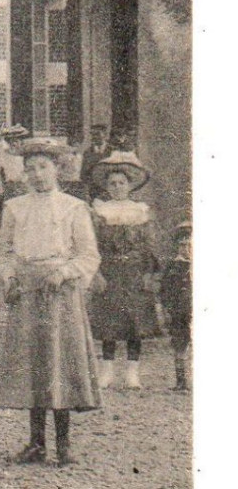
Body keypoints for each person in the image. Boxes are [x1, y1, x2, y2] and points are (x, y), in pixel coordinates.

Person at [0, 139, 101, 467]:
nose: (37, 175)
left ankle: (64, 444)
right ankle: (36, 443)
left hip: (60, 294)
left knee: (59, 364)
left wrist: (65, 272)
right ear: (23, 174)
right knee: (33, 368)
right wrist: (8, 276)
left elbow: (89, 254)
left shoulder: (72, 207)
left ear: (58, 169)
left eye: (43, 167)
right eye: (30, 169)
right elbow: (4, 251)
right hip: (27, 292)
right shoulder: (15, 208)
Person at [87, 152, 160, 390]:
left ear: (129, 185)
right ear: (106, 187)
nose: (117, 187)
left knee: (134, 321)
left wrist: (149, 273)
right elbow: (91, 244)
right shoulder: (99, 211)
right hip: (109, 271)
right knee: (109, 321)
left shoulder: (139, 211)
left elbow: (148, 246)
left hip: (135, 272)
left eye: (121, 183)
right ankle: (106, 370)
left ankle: (132, 372)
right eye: (112, 183)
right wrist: (95, 273)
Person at [161, 222, 192, 392]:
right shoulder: (173, 266)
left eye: (190, 245)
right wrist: (167, 310)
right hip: (179, 312)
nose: (186, 248)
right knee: (179, 346)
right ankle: (181, 381)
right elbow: (165, 291)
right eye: (182, 245)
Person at [79, 124, 112, 200]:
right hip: (93, 192)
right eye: (92, 134)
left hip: (110, 190)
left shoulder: (113, 151)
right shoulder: (87, 153)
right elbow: (83, 175)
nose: (94, 137)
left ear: (105, 135)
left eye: (97, 134)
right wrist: (86, 193)